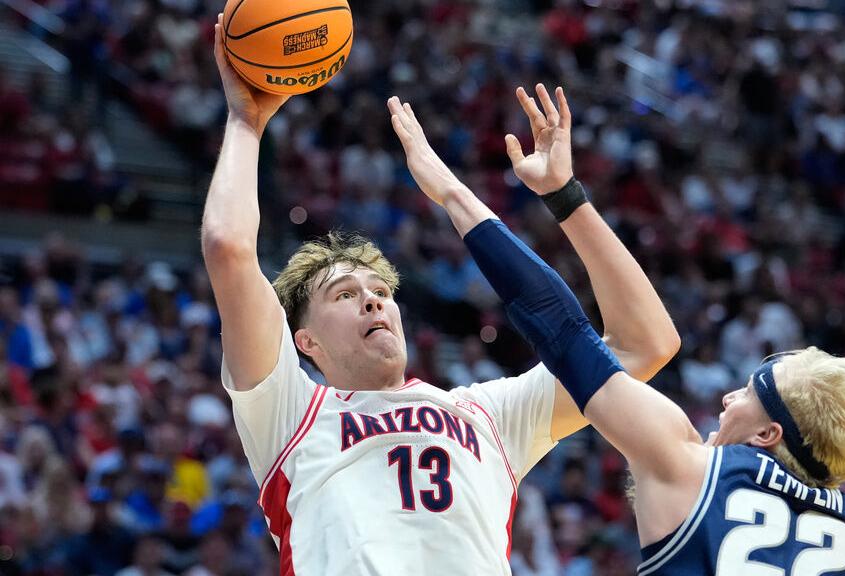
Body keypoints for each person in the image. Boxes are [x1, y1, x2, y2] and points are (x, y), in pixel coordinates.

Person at [203, 12, 678, 575]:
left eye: (380, 290)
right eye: (344, 294)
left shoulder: (486, 414)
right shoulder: (290, 411)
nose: (373, 300)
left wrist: (560, 198)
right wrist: (245, 121)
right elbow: (228, 247)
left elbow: (642, 346)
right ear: (303, 341)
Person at [460, 93, 845, 573]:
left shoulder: (692, 467)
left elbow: (562, 331)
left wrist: (461, 193)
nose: (728, 399)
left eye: (749, 393)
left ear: (767, 433)